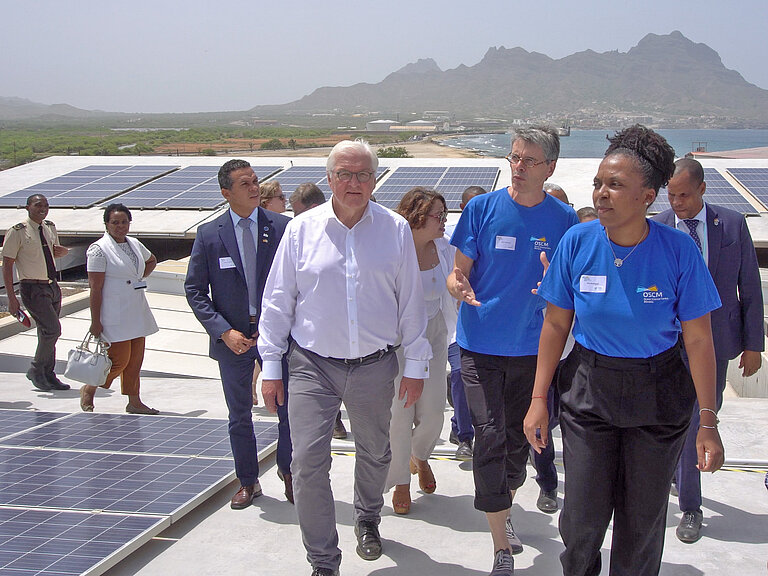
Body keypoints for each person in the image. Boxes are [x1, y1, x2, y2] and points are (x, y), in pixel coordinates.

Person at [524, 125, 725, 576]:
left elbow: (698, 339)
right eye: (598, 183)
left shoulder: (678, 251)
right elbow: (556, 323)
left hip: (658, 397)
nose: (602, 193)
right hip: (588, 391)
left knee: (641, 525)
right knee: (581, 521)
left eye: (615, 185)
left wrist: (707, 421)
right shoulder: (577, 242)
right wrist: (539, 400)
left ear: (647, 196)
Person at [258, 139, 430, 576]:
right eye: (344, 175)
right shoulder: (301, 230)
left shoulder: (393, 229)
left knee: (376, 452)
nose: (354, 183)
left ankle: (368, 518)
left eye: (363, 175)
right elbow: (278, 301)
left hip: (375, 365)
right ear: (329, 178)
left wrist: (415, 366)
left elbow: (411, 303)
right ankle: (323, 561)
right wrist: (272, 367)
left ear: (375, 179)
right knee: (306, 462)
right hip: (311, 365)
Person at [448, 126, 578, 576]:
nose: (518, 168)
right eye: (514, 158)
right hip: (479, 344)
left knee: (524, 438)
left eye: (529, 161)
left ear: (550, 168)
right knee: (488, 434)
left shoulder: (564, 220)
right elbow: (457, 273)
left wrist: (556, 287)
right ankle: (501, 542)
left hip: (533, 349)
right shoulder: (482, 209)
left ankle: (504, 508)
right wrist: (457, 284)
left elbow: (570, 284)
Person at [653, 157, 763, 543]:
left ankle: (690, 508)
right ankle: (677, 482)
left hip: (715, 345)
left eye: (684, 194)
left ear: (702, 189)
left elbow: (749, 286)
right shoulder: (658, 227)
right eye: (671, 194)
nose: (677, 202)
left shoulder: (731, 224)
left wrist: (753, 345)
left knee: (701, 421)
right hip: (665, 345)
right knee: (669, 421)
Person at [185, 159, 294, 508]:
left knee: (287, 409)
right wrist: (223, 332)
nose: (253, 188)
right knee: (239, 414)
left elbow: (298, 282)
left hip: (276, 337)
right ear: (226, 193)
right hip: (233, 340)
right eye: (244, 183)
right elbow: (195, 290)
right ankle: (248, 480)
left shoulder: (282, 228)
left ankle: (289, 472)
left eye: (255, 181)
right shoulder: (209, 234)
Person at [387, 187, 457, 515]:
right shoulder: (393, 251)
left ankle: (420, 454)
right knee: (400, 415)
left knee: (433, 413)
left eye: (445, 215)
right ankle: (401, 479)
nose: (443, 221)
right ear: (416, 216)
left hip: (436, 335)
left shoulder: (445, 248)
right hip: (399, 341)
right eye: (437, 216)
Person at [80, 204, 159, 414]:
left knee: (135, 360)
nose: (120, 226)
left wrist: (139, 279)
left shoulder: (134, 244)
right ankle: (90, 387)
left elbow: (151, 260)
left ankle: (134, 401)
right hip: (113, 312)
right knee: (118, 360)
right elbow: (95, 288)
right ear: (106, 224)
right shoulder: (98, 249)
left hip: (136, 310)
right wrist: (95, 321)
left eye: (124, 222)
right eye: (115, 222)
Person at [286, 182, 348, 440]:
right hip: (310, 344)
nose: (293, 217)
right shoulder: (297, 233)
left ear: (312, 207)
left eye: (296, 211)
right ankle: (333, 421)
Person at [2, 194, 70, 391]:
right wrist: (11, 298)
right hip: (32, 287)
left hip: (51, 285)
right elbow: (7, 265)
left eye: (46, 205)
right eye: (38, 205)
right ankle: (36, 369)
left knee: (47, 333)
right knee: (52, 330)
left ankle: (48, 374)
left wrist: (62, 252)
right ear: (28, 207)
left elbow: (53, 251)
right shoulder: (18, 231)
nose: (43, 208)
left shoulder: (50, 227)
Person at [446, 185, 485, 460]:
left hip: (485, 325)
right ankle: (464, 435)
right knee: (459, 376)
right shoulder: (446, 236)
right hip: (454, 327)